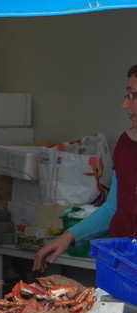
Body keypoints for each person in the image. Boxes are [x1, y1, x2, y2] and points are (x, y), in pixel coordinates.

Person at [33, 64, 137, 272]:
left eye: (133, 96)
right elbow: (113, 207)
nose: (125, 104)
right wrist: (69, 237)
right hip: (121, 265)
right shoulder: (126, 145)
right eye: (127, 95)